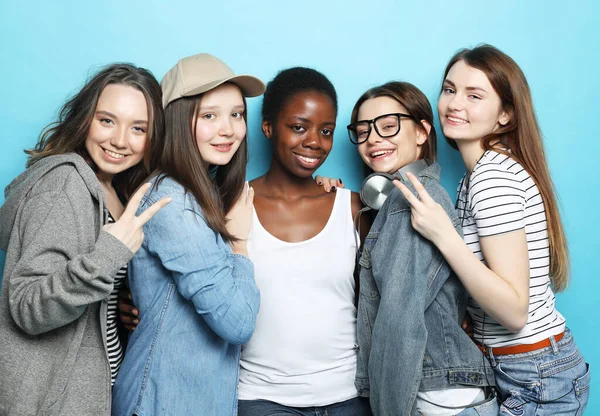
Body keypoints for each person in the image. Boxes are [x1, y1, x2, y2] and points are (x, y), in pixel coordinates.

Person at [394, 44, 591, 415]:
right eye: (450, 90)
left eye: (474, 95)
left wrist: (445, 236)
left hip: (534, 374)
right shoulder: (482, 174)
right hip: (526, 366)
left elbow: (515, 311)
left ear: (504, 115)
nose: (455, 104)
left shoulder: (492, 177)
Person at [0, 63, 169, 415]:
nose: (120, 140)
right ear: (84, 119)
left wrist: (117, 303)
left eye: (138, 128)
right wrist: (108, 256)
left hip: (93, 389)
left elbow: (88, 287)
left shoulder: (113, 188)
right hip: (56, 401)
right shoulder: (65, 184)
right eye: (106, 120)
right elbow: (28, 306)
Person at [111, 53, 265, 416]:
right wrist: (240, 244)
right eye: (209, 115)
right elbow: (237, 322)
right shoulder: (172, 200)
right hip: (161, 401)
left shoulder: (199, 194)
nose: (228, 129)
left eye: (236, 114)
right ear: (179, 122)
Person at [341, 81, 497, 415]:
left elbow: (399, 325)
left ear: (422, 132)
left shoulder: (412, 203)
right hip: (443, 392)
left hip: (440, 398)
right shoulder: (404, 199)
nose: (373, 140)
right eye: (364, 131)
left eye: (388, 126)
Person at [237, 67, 372, 416]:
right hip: (260, 398)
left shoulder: (353, 207)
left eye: (325, 131)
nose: (314, 141)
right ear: (268, 127)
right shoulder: (233, 205)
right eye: (299, 127)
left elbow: (378, 300)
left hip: (347, 396)